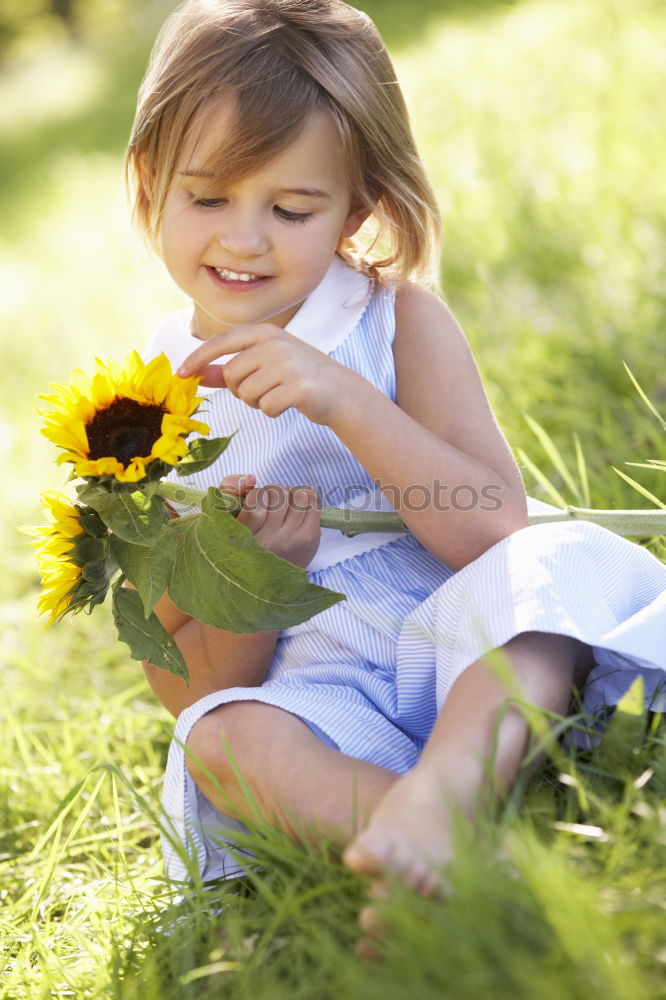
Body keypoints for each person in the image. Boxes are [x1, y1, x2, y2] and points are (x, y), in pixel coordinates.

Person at [125, 0, 666, 905]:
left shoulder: (395, 320)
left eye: (291, 208)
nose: (242, 237)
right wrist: (256, 582)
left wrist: (347, 402)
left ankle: (444, 799)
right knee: (223, 737)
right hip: (329, 700)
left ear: (357, 206)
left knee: (546, 569)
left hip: (466, 648)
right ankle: (423, 836)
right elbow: (182, 683)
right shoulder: (141, 412)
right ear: (150, 178)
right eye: (208, 196)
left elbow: (494, 527)